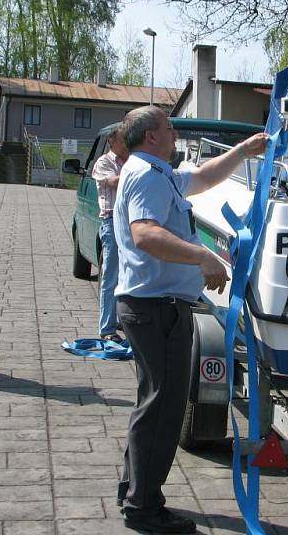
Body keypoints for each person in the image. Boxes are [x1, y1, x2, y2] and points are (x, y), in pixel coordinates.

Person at [113, 105, 267, 534]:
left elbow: (203, 178)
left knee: (153, 403)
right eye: (167, 125)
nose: (174, 129)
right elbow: (144, 232)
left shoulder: (157, 171)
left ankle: (134, 490)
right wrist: (202, 255)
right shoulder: (146, 175)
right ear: (150, 137)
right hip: (156, 309)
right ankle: (144, 507)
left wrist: (244, 150)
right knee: (163, 408)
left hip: (156, 307)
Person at [92, 124, 130, 342]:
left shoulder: (130, 161)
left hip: (129, 223)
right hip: (111, 222)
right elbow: (114, 182)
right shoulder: (104, 163)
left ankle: (120, 319)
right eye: (123, 140)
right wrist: (135, 172)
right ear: (111, 142)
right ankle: (106, 329)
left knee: (128, 274)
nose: (127, 144)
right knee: (110, 275)